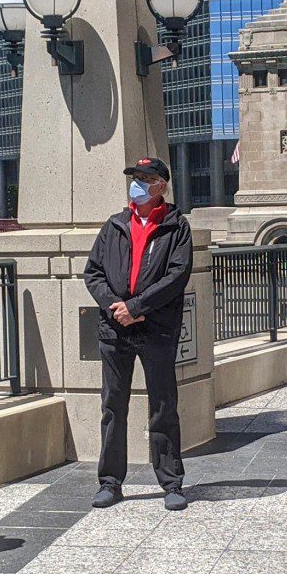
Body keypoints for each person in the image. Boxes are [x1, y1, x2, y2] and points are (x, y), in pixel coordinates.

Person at [81, 156, 194, 511]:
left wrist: (138, 307)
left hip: (156, 328)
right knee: (113, 406)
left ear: (161, 185)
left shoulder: (177, 226)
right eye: (135, 177)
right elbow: (93, 273)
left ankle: (171, 482)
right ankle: (110, 482)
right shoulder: (114, 225)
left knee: (163, 406)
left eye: (145, 178)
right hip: (114, 329)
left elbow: (176, 277)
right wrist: (116, 305)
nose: (138, 183)